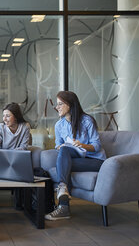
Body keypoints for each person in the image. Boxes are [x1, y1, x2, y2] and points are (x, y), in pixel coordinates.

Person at [45, 91, 106, 221]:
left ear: (70, 104)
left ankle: (63, 206)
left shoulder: (87, 120)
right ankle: (63, 194)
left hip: (94, 160)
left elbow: (97, 145)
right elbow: (58, 144)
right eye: (57, 104)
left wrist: (82, 145)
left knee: (62, 165)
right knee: (64, 151)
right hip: (75, 157)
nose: (57, 107)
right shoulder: (59, 125)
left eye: (60, 104)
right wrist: (60, 147)